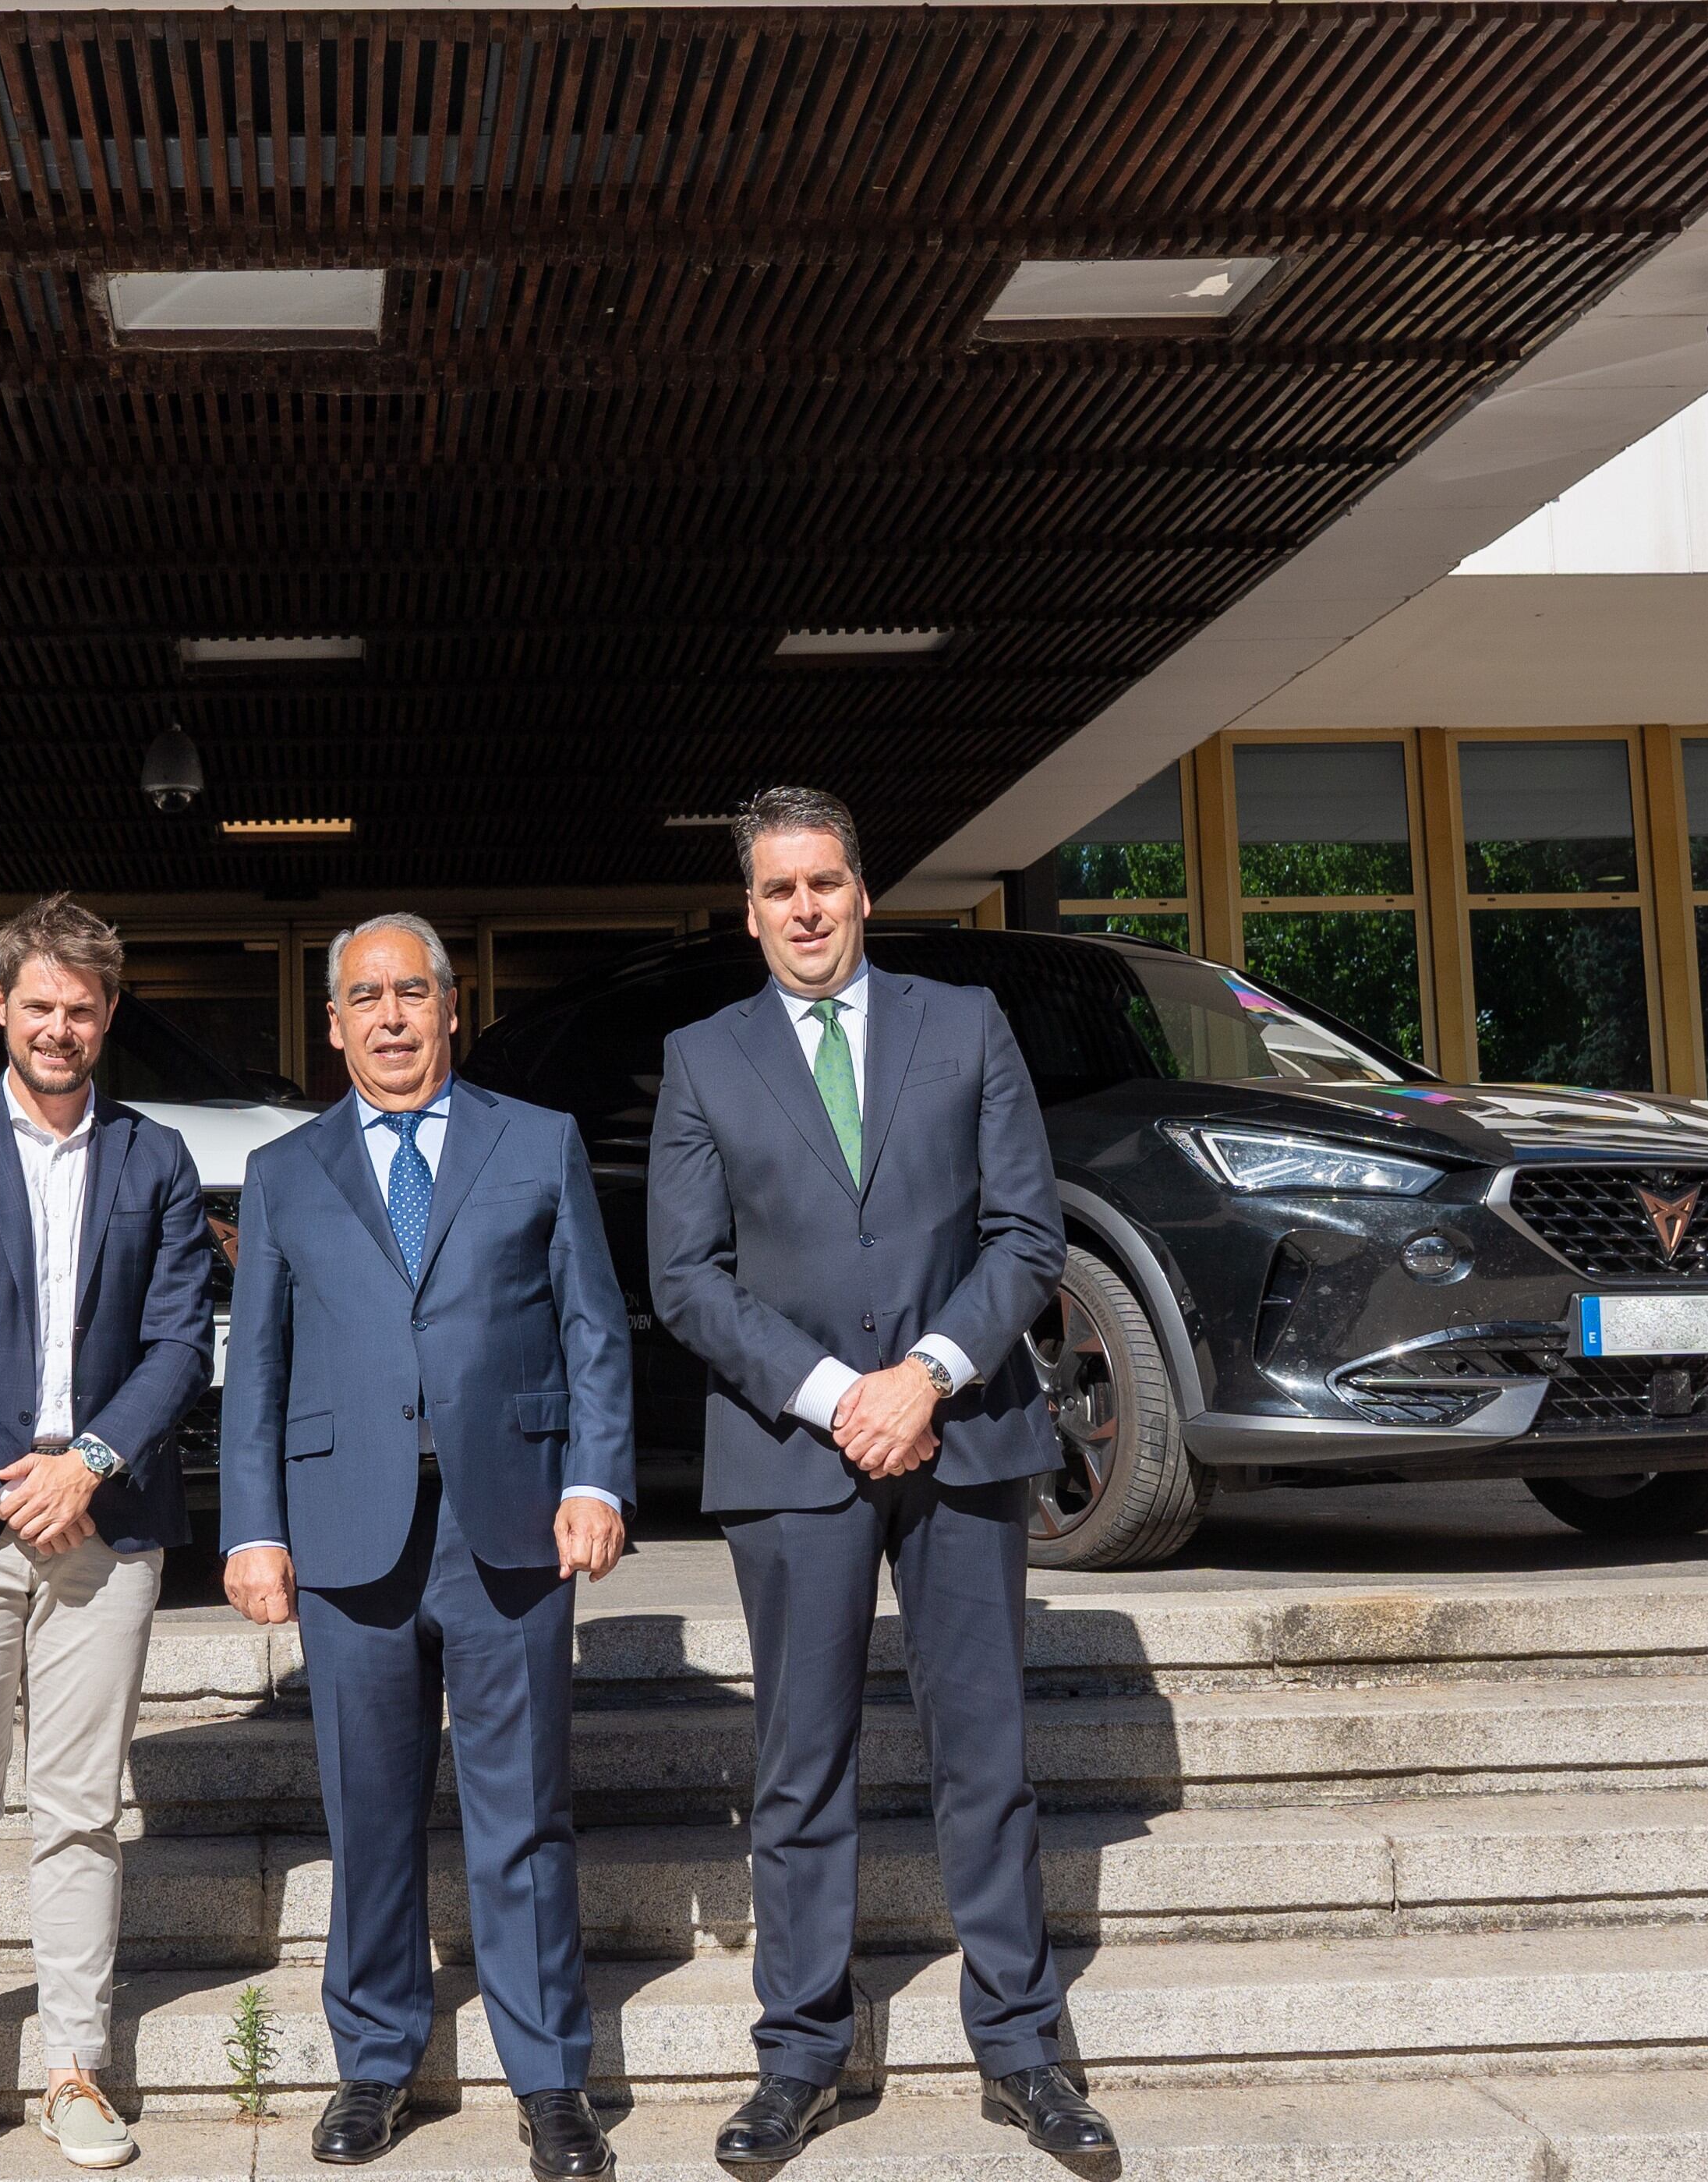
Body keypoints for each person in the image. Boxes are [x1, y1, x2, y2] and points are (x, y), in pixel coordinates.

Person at [645, 787, 1116, 2169]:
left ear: (864, 894)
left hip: (961, 1432)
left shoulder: (962, 1023)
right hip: (795, 1450)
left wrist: (924, 1374)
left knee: (987, 1758)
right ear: (749, 911)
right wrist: (836, 1395)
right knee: (799, 1770)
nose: (805, 908)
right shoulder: (700, 1056)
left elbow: (1027, 1233)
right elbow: (684, 1277)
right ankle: (800, 2056)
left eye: (827, 883)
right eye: (779, 889)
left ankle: (1022, 2051)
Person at [221, 913, 637, 2180]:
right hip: (346, 1531)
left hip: (508, 1520)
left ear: (453, 1009)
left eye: (413, 992)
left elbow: (593, 1330)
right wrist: (251, 1527)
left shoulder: (538, 1141)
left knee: (520, 1818)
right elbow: (257, 1370)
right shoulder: (287, 1172)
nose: (392, 1016)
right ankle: (376, 2065)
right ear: (333, 1024)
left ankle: (550, 2079)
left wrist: (596, 1479)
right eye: (366, 998)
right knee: (368, 1814)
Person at [0, 894, 217, 2178]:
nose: (59, 1027)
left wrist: (90, 1468)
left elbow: (181, 1339)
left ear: (108, 1015)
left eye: (82, 1008)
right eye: (40, 1006)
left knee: (77, 1811)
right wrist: (8, 1478)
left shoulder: (155, 1157)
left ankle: (76, 2068)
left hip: (105, 1527)